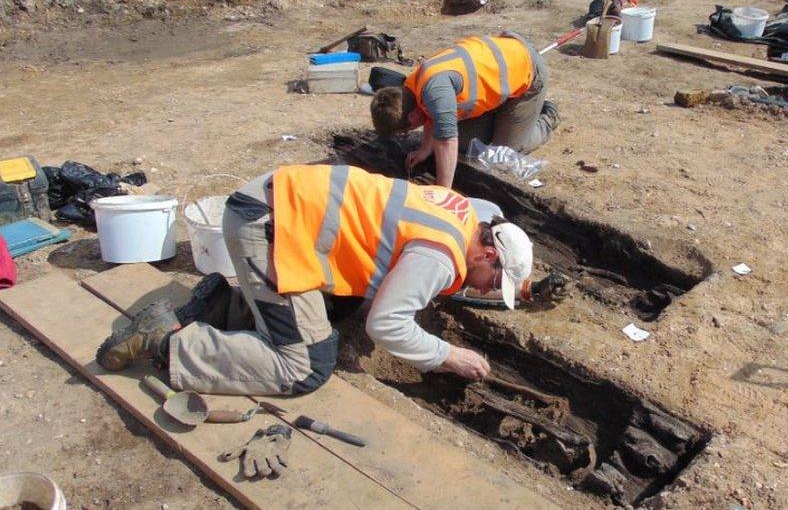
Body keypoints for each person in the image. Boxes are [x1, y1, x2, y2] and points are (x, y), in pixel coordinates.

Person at [95, 164, 536, 395]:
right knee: (307, 366)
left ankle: (220, 303)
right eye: (491, 283)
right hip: (265, 228)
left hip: (276, 204)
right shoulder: (439, 256)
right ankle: (168, 344)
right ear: (488, 253)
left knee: (343, 300)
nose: (481, 291)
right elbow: (385, 325)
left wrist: (520, 285)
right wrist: (447, 355)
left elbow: (451, 254)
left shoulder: (465, 212)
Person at [370, 32, 559, 189]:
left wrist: (443, 191)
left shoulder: (435, 89)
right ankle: (503, 116)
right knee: (467, 143)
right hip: (499, 77)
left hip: (526, 73)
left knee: (503, 154)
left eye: (406, 131)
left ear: (411, 117)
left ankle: (548, 115)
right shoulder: (412, 87)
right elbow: (431, 116)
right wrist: (425, 149)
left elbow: (446, 141)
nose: (408, 133)